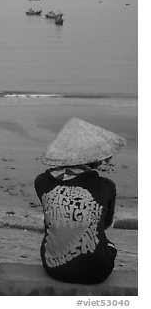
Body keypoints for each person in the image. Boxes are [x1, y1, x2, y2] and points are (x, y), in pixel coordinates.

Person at [34, 117, 126, 284]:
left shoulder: (41, 182)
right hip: (97, 272)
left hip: (53, 268)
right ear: (96, 159)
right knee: (109, 244)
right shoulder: (106, 186)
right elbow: (104, 224)